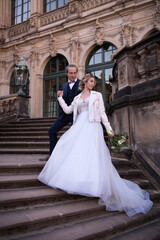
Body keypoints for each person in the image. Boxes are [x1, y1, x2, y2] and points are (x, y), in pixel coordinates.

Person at [38, 73, 153, 217]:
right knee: (74, 151)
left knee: (93, 154)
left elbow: (102, 113)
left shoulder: (97, 95)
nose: (93, 84)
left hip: (93, 126)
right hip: (79, 126)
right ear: (85, 82)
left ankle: (94, 184)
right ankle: (79, 180)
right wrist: (60, 98)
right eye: (91, 81)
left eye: (94, 82)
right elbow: (68, 110)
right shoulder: (77, 98)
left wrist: (109, 128)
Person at [39, 64, 81, 161]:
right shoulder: (64, 85)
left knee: (78, 134)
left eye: (75, 73)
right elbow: (64, 99)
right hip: (65, 114)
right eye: (71, 73)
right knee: (52, 130)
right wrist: (59, 95)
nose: (73, 75)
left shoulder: (81, 84)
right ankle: (52, 155)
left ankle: (77, 156)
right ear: (67, 73)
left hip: (77, 114)